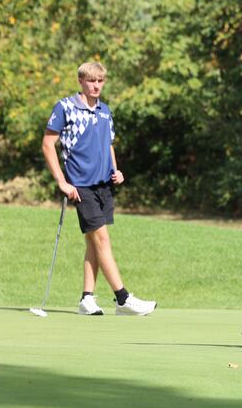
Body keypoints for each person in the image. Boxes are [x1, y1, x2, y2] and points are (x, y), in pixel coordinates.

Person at [42, 61, 156, 316]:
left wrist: (116, 170)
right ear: (81, 81)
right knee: (102, 239)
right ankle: (122, 298)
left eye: (100, 81)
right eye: (91, 81)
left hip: (104, 184)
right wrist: (62, 181)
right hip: (80, 185)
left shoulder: (105, 111)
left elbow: (109, 144)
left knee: (93, 242)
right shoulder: (65, 108)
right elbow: (48, 144)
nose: (96, 85)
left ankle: (87, 299)